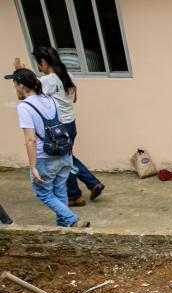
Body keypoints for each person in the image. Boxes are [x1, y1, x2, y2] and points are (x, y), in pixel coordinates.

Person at [17, 47, 105, 206]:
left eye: (39, 65)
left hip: (57, 128)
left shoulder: (45, 81)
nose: (39, 68)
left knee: (66, 160)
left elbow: (26, 97)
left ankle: (75, 195)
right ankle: (92, 184)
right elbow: (74, 98)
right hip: (71, 124)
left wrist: (20, 76)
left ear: (43, 62)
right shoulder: (68, 76)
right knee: (68, 158)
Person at [5, 68, 87, 228]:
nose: (15, 87)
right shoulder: (51, 100)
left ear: (20, 85)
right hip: (63, 154)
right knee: (60, 191)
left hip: (45, 157)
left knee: (43, 193)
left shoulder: (24, 107)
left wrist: (33, 166)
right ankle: (63, 227)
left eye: (15, 84)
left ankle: (72, 220)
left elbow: (30, 139)